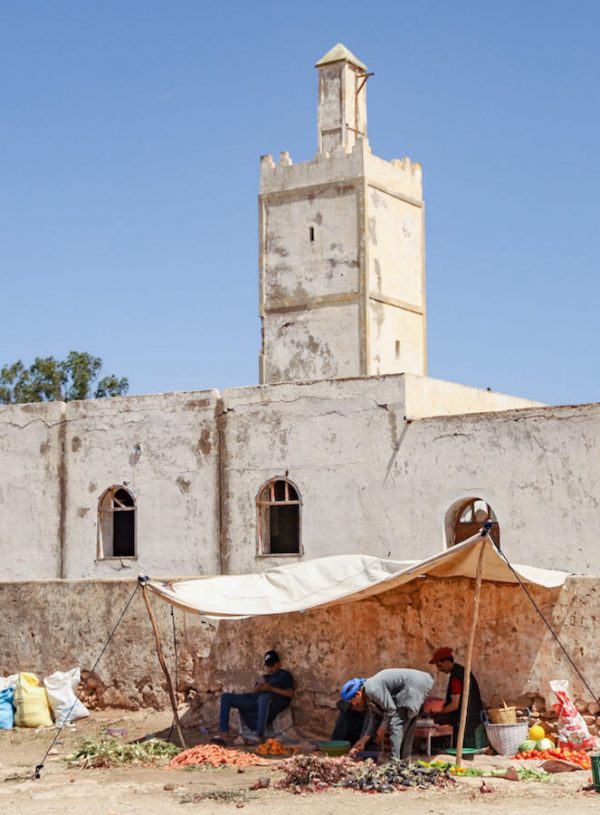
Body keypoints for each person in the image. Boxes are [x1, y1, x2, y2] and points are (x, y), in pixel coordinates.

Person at [340, 668, 434, 759]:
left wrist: (383, 727)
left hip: (415, 684)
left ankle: (395, 761)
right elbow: (375, 717)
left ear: (358, 694)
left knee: (396, 723)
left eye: (351, 700)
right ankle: (404, 761)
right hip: (414, 685)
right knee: (406, 726)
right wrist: (363, 741)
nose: (353, 704)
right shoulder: (368, 695)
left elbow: (391, 709)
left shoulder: (372, 689)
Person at [216, 649, 294, 742]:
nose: (270, 669)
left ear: (278, 664)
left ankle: (259, 735)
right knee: (226, 697)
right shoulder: (266, 677)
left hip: (271, 701)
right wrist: (258, 687)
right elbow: (253, 692)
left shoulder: (284, 675)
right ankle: (223, 733)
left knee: (263, 698)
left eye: (272, 666)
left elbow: (290, 694)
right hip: (255, 700)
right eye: (268, 666)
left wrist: (270, 689)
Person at [428, 647, 484, 743]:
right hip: (473, 715)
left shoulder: (456, 677)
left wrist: (438, 712)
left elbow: (454, 705)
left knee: (435, 720)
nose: (439, 669)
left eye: (439, 665)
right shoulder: (461, 671)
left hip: (467, 719)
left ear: (446, 662)